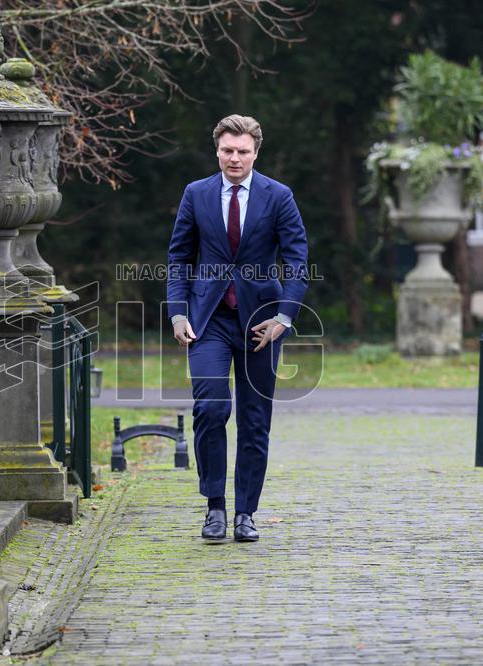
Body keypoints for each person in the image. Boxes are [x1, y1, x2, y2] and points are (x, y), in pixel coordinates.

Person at [166, 114, 309, 542]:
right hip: (207, 319)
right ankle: (214, 508)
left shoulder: (278, 196)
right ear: (217, 150)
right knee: (210, 409)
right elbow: (178, 258)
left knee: (254, 419)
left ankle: (246, 512)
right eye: (228, 150)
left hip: (261, 323)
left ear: (255, 153)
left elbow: (298, 260)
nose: (234, 158)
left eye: (242, 152)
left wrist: (284, 317)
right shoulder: (197, 194)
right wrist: (177, 312)